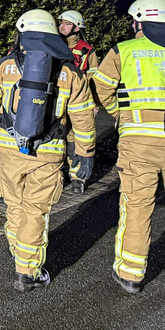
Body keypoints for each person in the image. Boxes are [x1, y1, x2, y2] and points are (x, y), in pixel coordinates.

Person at [0, 9, 96, 292]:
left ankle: (19, 252)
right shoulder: (70, 71)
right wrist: (85, 153)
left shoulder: (2, 66)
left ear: (21, 33)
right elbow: (83, 118)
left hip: (9, 151)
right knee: (36, 210)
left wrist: (7, 121)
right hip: (49, 153)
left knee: (15, 205)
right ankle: (27, 270)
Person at [93, 0, 165, 294]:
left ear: (140, 21)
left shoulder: (124, 50)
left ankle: (131, 273)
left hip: (138, 140)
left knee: (136, 205)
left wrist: (120, 116)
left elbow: (101, 89)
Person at [58, 10, 100, 193]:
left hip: (77, 100)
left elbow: (93, 80)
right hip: (59, 99)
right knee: (55, 138)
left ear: (77, 27)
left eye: (66, 24)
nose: (62, 27)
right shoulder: (54, 44)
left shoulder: (86, 50)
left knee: (75, 140)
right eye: (61, 23)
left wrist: (95, 104)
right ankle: (55, 175)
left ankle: (77, 178)